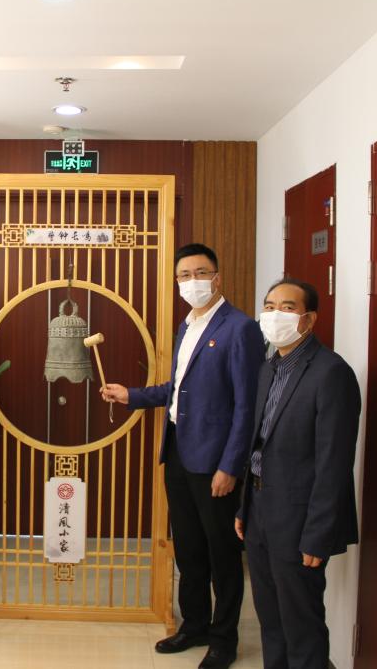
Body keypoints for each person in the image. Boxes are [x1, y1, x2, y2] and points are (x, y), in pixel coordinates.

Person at [102, 243, 263, 669]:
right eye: (184, 276)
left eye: (200, 273)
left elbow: (247, 407)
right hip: (178, 452)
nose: (192, 282)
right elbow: (178, 389)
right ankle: (194, 626)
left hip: (215, 462)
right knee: (189, 548)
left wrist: (230, 466)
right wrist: (132, 395)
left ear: (217, 278)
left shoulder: (240, 328)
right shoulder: (187, 325)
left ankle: (223, 640)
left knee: (222, 554)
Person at [235, 279, 360, 669]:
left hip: (299, 517)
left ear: (309, 319)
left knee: (301, 620)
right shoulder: (269, 367)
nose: (275, 314)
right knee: (270, 616)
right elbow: (259, 445)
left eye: (287, 308)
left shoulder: (331, 373)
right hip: (260, 508)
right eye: (269, 306)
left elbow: (334, 464)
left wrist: (318, 534)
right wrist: (244, 507)